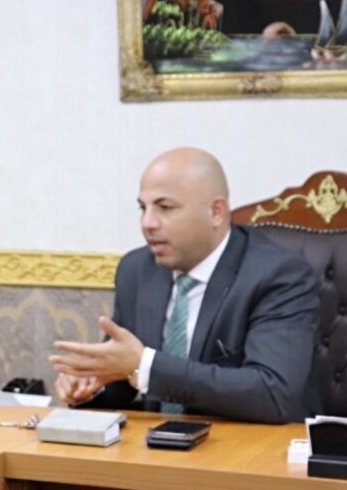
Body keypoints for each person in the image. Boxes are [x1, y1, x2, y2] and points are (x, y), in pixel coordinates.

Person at [50, 148, 319, 424]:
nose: (147, 223)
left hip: (248, 443)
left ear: (216, 212)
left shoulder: (277, 275)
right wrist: (89, 384)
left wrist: (145, 366)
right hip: (157, 443)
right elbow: (121, 383)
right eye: (143, 208)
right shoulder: (137, 270)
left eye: (165, 208)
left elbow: (272, 394)